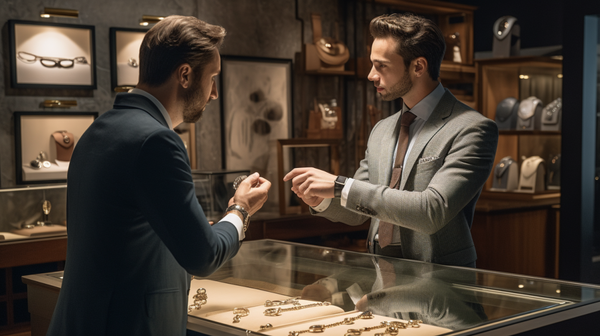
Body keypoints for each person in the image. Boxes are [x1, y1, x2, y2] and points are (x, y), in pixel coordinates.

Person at [47, 16, 271, 336]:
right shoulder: (157, 141)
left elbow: (125, 234)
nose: (214, 93)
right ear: (185, 74)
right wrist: (241, 209)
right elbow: (203, 257)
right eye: (213, 78)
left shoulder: (98, 130)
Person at [284, 13, 498, 267]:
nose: (371, 75)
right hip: (379, 276)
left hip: (440, 282)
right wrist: (320, 200)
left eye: (381, 65)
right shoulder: (382, 130)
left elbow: (432, 211)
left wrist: (340, 185)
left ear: (418, 66)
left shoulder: (473, 128)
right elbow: (357, 211)